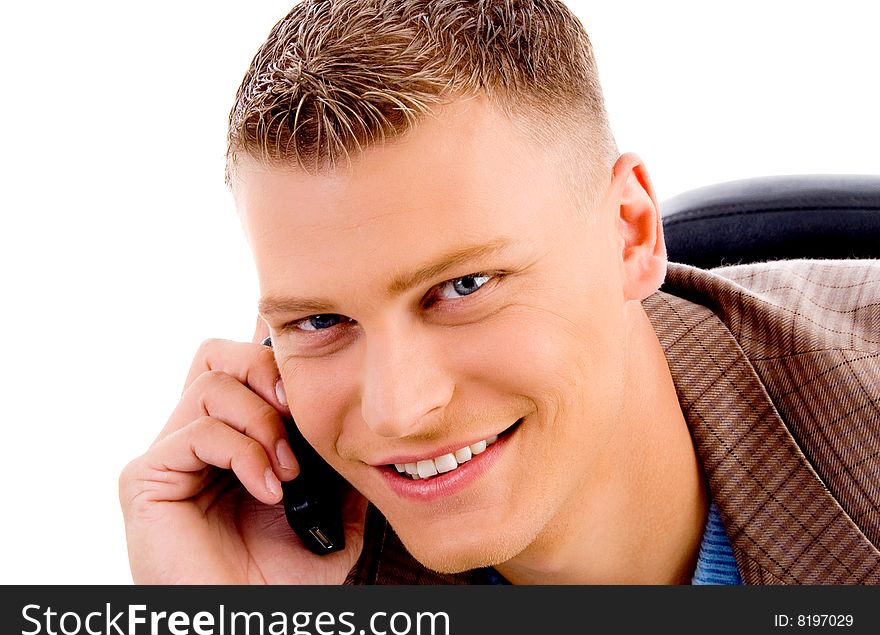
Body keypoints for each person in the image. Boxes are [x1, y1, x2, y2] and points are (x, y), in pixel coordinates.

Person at [118, 0, 880, 585]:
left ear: (631, 232)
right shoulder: (320, 578)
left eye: (462, 286)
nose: (398, 409)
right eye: (320, 319)